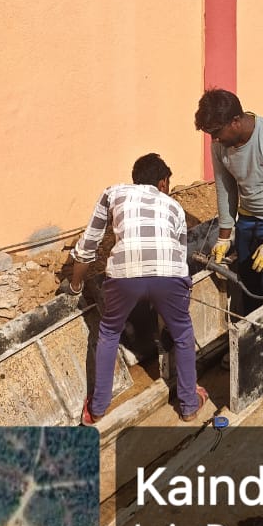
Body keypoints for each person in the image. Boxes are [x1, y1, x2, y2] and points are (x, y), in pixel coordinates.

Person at [66, 153, 205, 423]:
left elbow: (88, 245)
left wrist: (75, 284)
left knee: (109, 333)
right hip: (169, 276)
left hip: (124, 276)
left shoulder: (113, 193)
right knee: (183, 334)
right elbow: (180, 253)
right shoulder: (174, 207)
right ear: (163, 183)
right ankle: (189, 406)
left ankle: (96, 409)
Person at [194, 90, 263, 312]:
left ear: (235, 121)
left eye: (216, 133)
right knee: (248, 283)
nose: (214, 139)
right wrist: (224, 237)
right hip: (247, 220)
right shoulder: (219, 146)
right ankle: (253, 327)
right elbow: (225, 189)